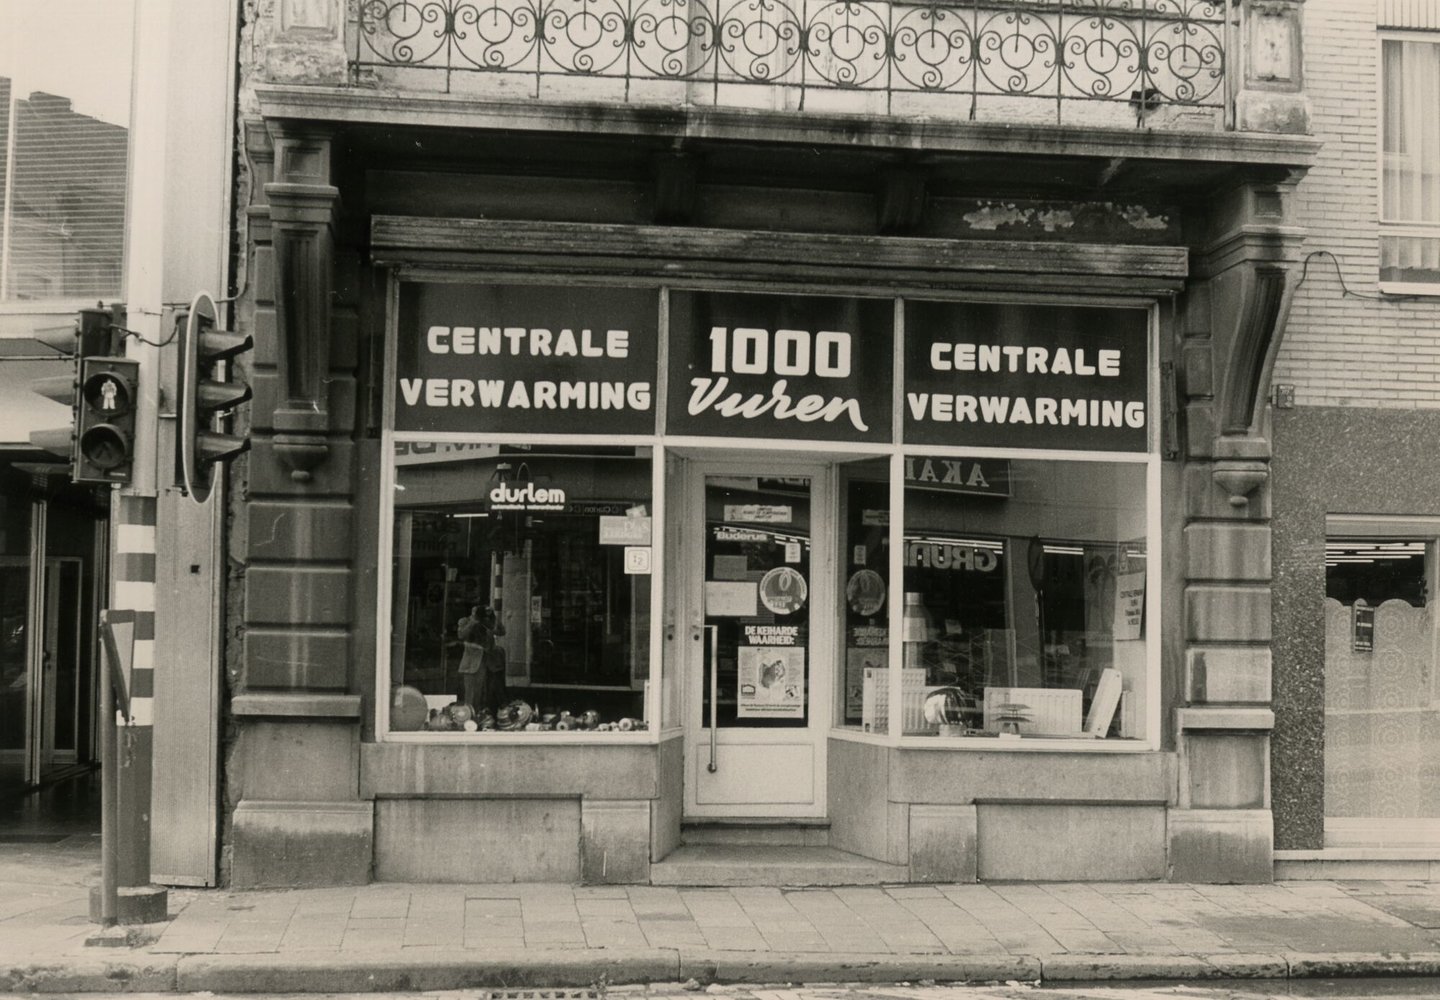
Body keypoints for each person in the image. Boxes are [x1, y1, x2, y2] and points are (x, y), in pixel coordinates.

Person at [456, 606, 487, 713]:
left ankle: (477, 715)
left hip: (483, 662)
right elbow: (461, 635)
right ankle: (467, 716)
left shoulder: (485, 623)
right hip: (470, 663)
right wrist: (472, 622)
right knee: (469, 692)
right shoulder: (465, 621)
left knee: (479, 691)